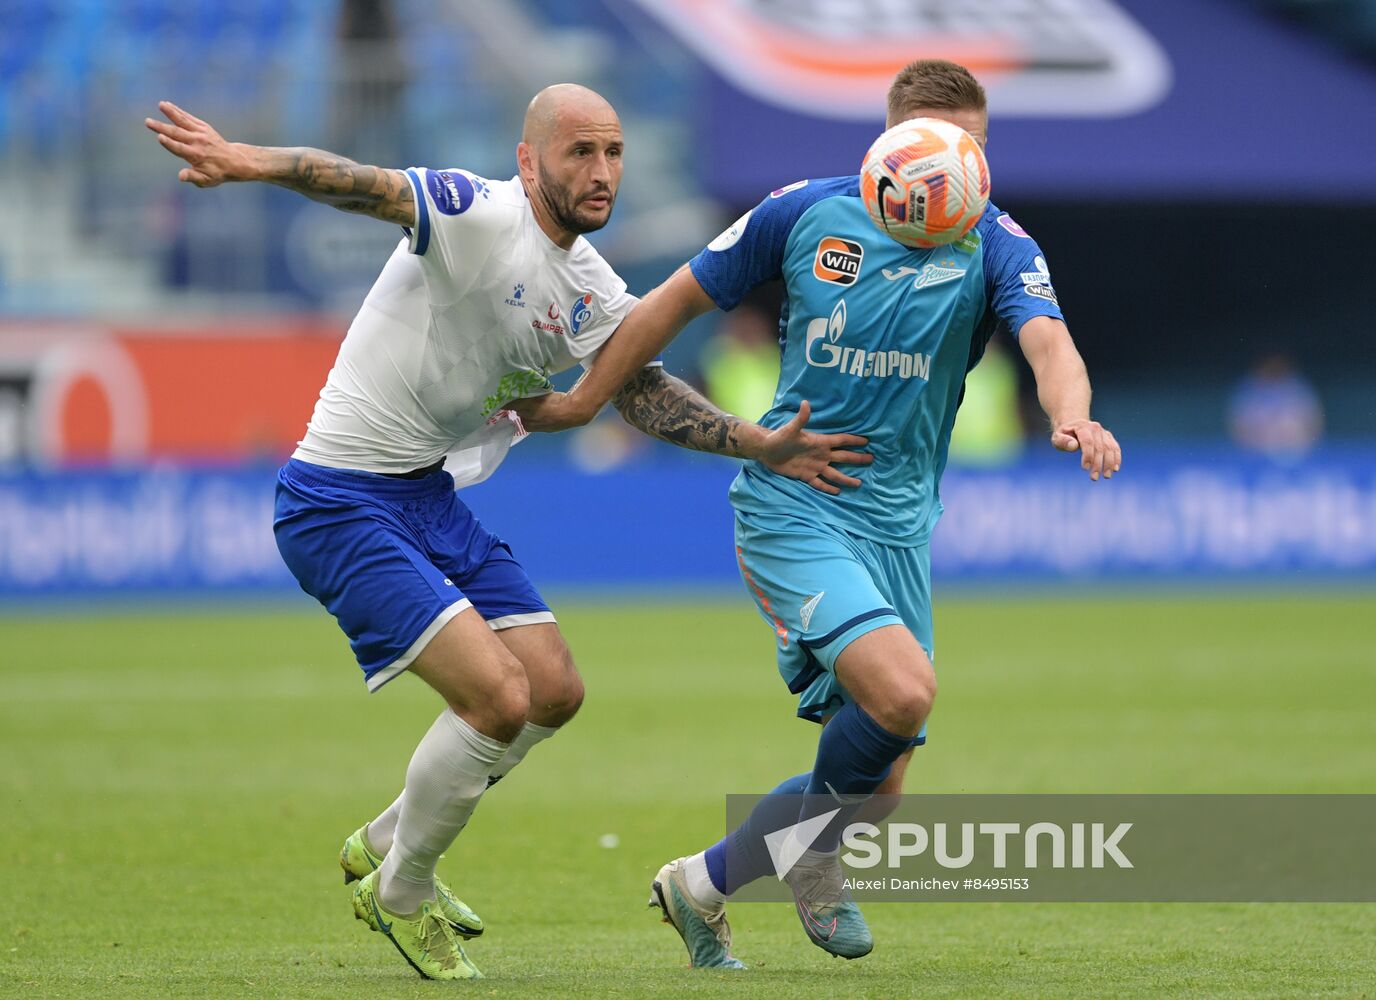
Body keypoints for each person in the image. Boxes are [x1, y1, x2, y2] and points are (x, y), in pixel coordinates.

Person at [144, 85, 869, 981]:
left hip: (425, 497)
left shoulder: (590, 282)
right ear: (529, 161)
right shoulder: (475, 213)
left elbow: (638, 385)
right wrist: (252, 160)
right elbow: (367, 186)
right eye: (579, 153)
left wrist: (755, 443)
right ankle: (404, 891)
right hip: (336, 499)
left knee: (555, 688)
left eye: (612, 151)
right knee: (497, 700)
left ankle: (386, 838)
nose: (601, 171)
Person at [511, 59, 1122, 968]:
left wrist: (1071, 412)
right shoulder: (801, 212)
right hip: (796, 502)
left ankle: (704, 884)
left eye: (980, 151)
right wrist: (585, 399)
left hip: (900, 528)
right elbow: (671, 302)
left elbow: (1049, 341)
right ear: (891, 144)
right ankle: (812, 855)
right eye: (947, 148)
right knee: (904, 693)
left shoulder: (995, 242)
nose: (968, 169)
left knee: (881, 790)